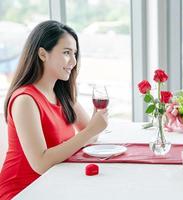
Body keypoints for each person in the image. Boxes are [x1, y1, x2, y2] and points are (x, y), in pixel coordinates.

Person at [0, 20, 108, 199]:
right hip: (22, 192)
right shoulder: (25, 100)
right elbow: (40, 163)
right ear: (42, 54)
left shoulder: (63, 94)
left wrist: (95, 125)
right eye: (66, 53)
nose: (73, 61)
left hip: (53, 186)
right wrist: (90, 130)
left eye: (75, 54)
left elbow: (92, 134)